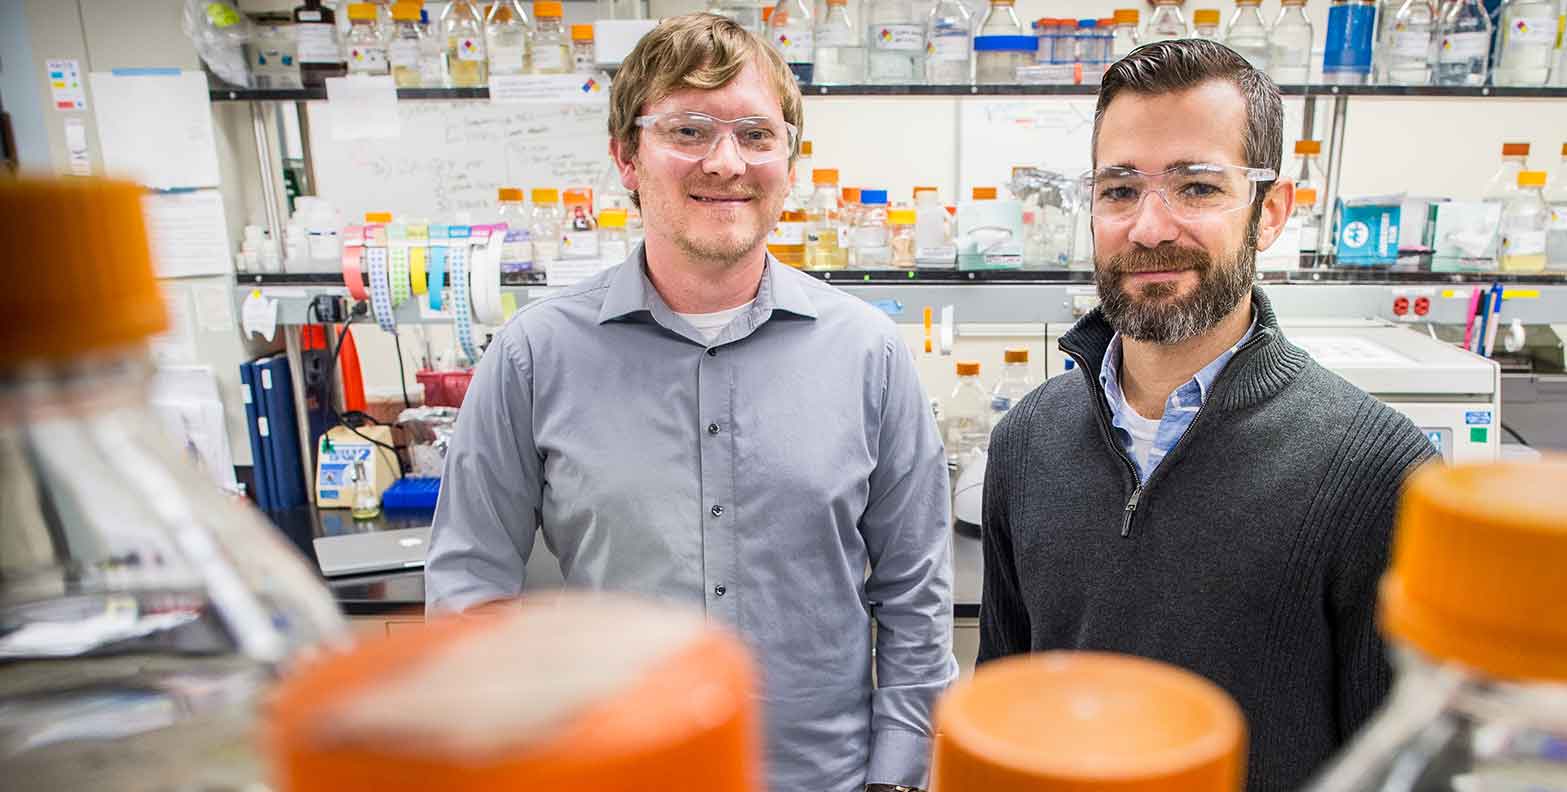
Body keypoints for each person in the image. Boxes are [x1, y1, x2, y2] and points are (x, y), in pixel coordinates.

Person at [425, 14, 953, 792]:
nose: (726, 161)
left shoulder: (867, 353)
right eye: (689, 129)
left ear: (789, 160)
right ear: (626, 157)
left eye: (756, 134)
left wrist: (897, 776)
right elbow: (470, 585)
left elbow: (915, 591)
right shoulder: (534, 356)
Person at [977, 40, 1438, 792]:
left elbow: (1397, 769)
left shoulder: (1376, 469)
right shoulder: (1026, 441)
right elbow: (1002, 705)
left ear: (1271, 212)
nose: (1151, 229)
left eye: (1196, 187)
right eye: (1120, 190)